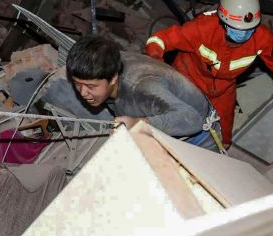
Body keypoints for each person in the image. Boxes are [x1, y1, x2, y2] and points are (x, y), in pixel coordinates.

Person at [144, 0, 273, 148]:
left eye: (249, 29)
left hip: (223, 92)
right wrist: (158, 67)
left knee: (223, 138)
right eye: (237, 29)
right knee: (174, 123)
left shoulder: (262, 39)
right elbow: (159, 40)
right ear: (222, 22)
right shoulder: (202, 29)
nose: (243, 34)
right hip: (186, 82)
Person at [66, 35, 225, 152]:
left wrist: (138, 124)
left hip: (198, 140)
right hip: (170, 130)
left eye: (90, 86)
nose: (82, 93)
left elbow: (192, 119)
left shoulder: (142, 87)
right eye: (77, 83)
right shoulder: (106, 61)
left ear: (113, 77)